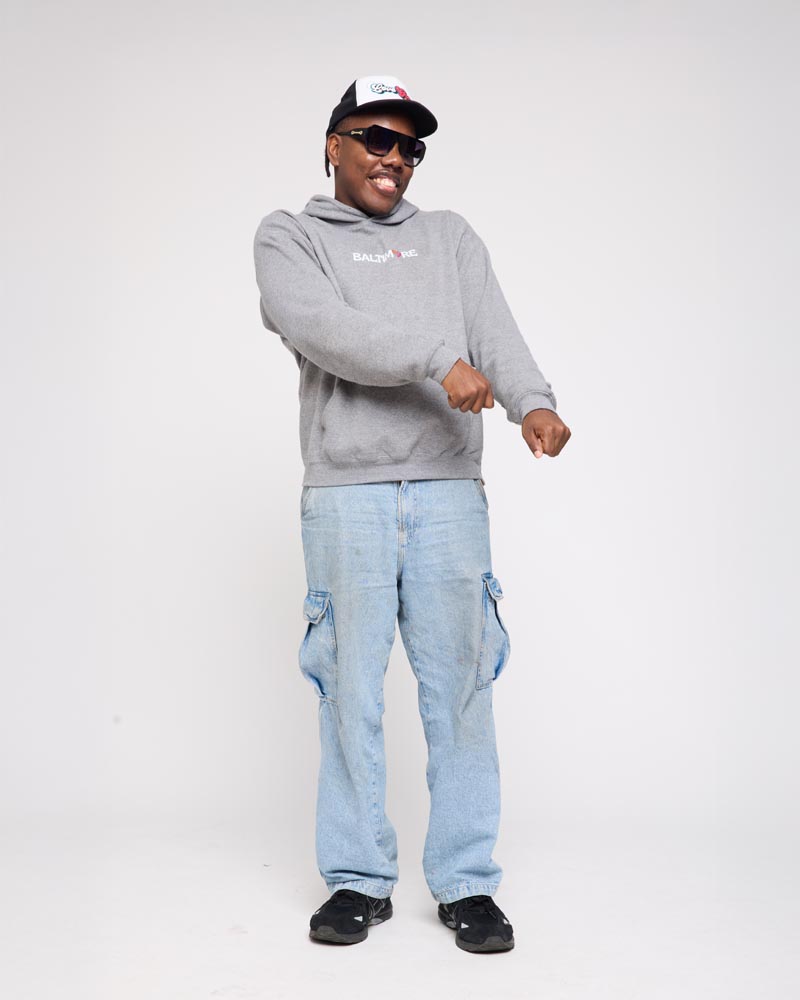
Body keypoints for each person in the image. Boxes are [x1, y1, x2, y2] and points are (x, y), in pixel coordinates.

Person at [252, 74, 571, 954]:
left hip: (448, 494)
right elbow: (325, 331)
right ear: (334, 144)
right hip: (346, 496)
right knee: (347, 691)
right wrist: (438, 359)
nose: (395, 158)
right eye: (376, 138)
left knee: (462, 690)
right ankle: (358, 878)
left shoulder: (449, 236)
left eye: (410, 146)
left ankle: (467, 884)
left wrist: (533, 401)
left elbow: (494, 331)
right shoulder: (290, 237)